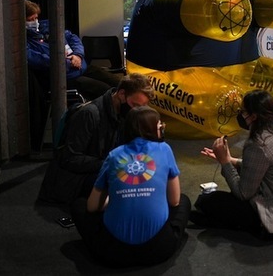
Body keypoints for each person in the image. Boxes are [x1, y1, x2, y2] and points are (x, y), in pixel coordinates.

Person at [190, 90, 273, 239]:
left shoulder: (258, 143)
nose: (239, 114)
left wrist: (225, 162)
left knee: (208, 201)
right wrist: (230, 159)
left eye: (243, 111)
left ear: (253, 116)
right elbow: (262, 166)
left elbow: (243, 193)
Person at [71, 106, 191, 268]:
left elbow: (92, 207)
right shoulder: (164, 149)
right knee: (184, 201)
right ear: (154, 129)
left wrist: (113, 200)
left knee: (79, 205)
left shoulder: (113, 156)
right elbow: (175, 200)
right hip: (159, 251)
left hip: (113, 254)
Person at [37, 73, 154, 205]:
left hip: (105, 168)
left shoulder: (124, 113)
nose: (138, 111)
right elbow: (70, 158)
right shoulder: (89, 114)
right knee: (125, 188)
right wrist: (111, 163)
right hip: (79, 177)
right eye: (136, 105)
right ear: (121, 94)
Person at [26, 0, 121, 101]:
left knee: (120, 83)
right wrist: (68, 63)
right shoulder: (25, 42)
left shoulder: (49, 27)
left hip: (81, 66)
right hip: (65, 77)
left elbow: (73, 38)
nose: (35, 22)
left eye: (36, 18)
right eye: (30, 19)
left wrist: (78, 55)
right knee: (106, 91)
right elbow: (38, 60)